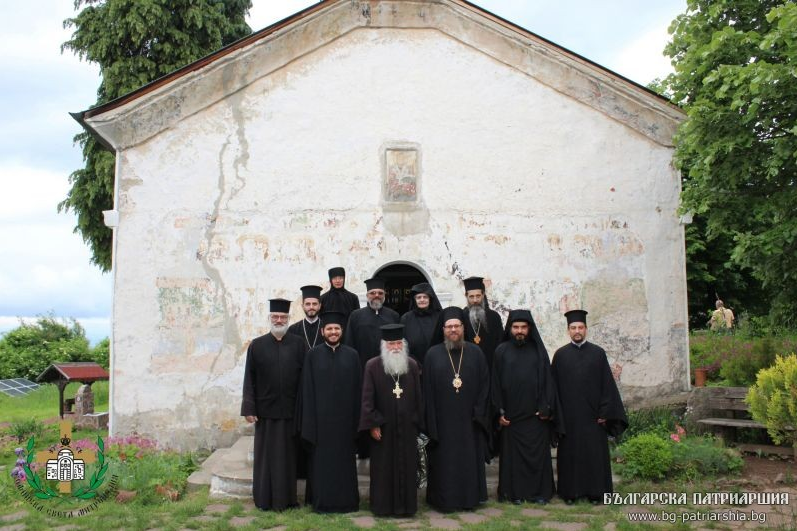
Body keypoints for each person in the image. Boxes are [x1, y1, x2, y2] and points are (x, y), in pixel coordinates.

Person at [551, 310, 627, 504]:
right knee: (570, 456)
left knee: (594, 455)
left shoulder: (598, 353)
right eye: (573, 328)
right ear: (568, 330)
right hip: (569, 418)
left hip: (594, 418)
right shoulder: (560, 355)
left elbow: (607, 385)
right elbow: (553, 388)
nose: (577, 331)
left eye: (580, 327)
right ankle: (570, 493)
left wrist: (605, 412)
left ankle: (596, 493)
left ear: (586, 329)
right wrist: (557, 415)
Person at [241, 298, 305, 510]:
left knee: (288, 458)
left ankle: (287, 499)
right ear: (270, 318)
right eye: (275, 317)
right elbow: (249, 378)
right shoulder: (257, 345)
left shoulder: (298, 344)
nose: (279, 320)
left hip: (290, 411)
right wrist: (249, 408)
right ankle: (264, 499)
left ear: (288, 319)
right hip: (265, 412)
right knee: (265, 458)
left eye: (283, 317)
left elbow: (305, 378)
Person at [423, 306, 490, 512]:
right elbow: (427, 391)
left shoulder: (476, 352)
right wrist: (431, 422)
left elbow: (485, 385)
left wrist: (479, 413)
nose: (453, 330)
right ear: (443, 330)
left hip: (469, 421)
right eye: (449, 326)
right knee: (444, 462)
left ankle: (470, 499)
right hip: (442, 422)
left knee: (468, 460)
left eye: (457, 326)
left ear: (463, 328)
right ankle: (443, 500)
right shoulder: (432, 354)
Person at [491, 309, 561, 505]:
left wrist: (546, 407)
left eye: (523, 327)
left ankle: (539, 493)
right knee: (513, 459)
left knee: (537, 457)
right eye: (516, 327)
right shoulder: (501, 351)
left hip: (535, 416)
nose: (519, 331)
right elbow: (495, 383)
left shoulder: (538, 351)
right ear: (510, 328)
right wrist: (499, 411)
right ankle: (514, 494)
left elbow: (548, 381)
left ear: (529, 328)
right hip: (511, 418)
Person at [299, 311, 362, 513]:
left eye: (336, 328)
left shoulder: (352, 355)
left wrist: (357, 422)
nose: (333, 332)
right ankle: (322, 502)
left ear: (341, 331)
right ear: (323, 332)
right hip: (321, 424)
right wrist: (309, 423)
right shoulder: (313, 355)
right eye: (329, 329)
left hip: (345, 424)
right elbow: (307, 391)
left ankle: (347, 503)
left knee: (344, 464)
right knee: (321, 465)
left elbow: (359, 391)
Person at [359, 324, 424, 516]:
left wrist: (415, 421)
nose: (395, 347)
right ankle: (382, 508)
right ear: (383, 345)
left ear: (403, 344)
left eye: (398, 343)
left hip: (407, 427)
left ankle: (407, 508)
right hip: (383, 428)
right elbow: (367, 399)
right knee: (383, 469)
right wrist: (373, 424)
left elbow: (418, 397)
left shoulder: (412, 365)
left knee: (407, 467)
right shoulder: (372, 366)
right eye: (391, 344)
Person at [345, 277, 401, 371]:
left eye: (380, 293)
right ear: (367, 295)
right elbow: (349, 342)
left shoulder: (393, 316)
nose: (376, 295)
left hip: (388, 367)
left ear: (384, 295)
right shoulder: (355, 315)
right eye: (373, 293)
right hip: (362, 365)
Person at [461, 276, 504, 371]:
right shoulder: (461, 316)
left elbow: (500, 342)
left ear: (483, 295)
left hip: (491, 365)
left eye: (478, 296)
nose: (475, 300)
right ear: (466, 296)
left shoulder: (494, 316)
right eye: (471, 297)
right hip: (468, 366)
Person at [400, 282, 443, 367]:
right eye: (418, 297)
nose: (422, 300)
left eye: (425, 297)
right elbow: (403, 343)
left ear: (430, 299)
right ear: (414, 300)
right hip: (413, 364)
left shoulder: (440, 316)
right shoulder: (406, 318)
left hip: (438, 361)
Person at [288, 285, 323, 353]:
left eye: (314, 304)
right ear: (302, 306)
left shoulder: (326, 328)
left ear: (319, 306)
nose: (311, 307)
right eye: (307, 304)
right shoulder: (293, 329)